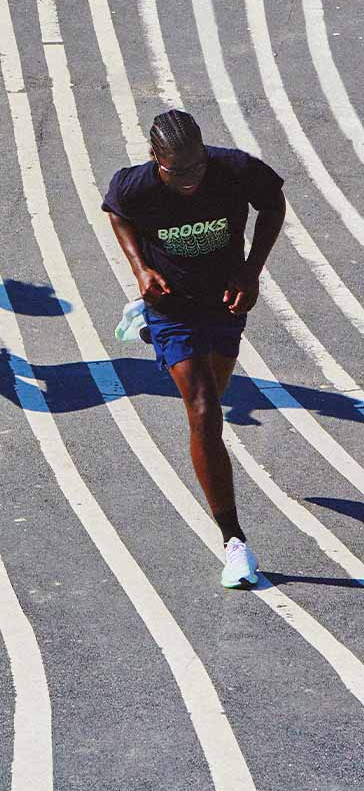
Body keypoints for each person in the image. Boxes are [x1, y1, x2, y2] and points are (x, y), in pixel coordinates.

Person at [103, 109, 286, 588]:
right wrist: (141, 270)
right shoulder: (135, 185)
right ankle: (234, 542)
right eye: (175, 170)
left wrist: (251, 270)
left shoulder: (234, 170)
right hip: (173, 306)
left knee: (215, 399)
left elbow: (273, 205)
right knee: (204, 411)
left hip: (226, 299)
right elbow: (117, 214)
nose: (188, 179)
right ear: (154, 159)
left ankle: (153, 331)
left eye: (196, 167)